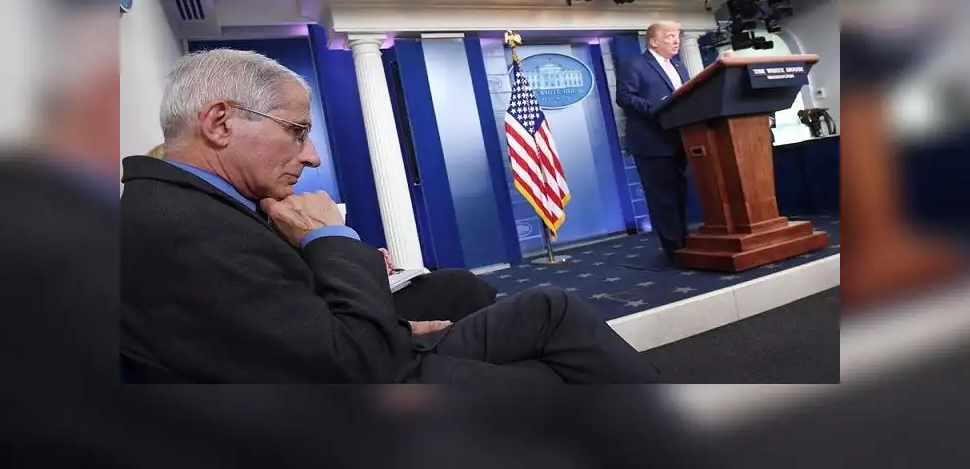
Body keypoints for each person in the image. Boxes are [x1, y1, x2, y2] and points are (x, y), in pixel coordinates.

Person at [121, 49, 659, 384]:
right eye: (298, 131)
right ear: (219, 123)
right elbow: (353, 365)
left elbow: (279, 321)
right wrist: (333, 240)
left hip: (373, 352)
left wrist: (392, 322)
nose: (312, 157)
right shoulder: (179, 224)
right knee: (548, 374)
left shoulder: (196, 204)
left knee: (550, 306)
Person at [142, 143, 496, 322]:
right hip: (334, 323)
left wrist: (356, 257)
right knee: (463, 288)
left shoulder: (259, 212)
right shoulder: (196, 233)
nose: (311, 157)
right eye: (295, 132)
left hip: (344, 305)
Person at [615, 21, 691, 260]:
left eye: (678, 36)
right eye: (670, 36)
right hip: (651, 142)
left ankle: (685, 240)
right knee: (662, 197)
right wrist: (659, 109)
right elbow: (625, 97)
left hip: (680, 139)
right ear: (654, 41)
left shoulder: (679, 66)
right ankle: (673, 248)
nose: (676, 41)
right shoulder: (634, 64)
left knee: (679, 194)